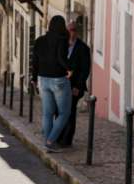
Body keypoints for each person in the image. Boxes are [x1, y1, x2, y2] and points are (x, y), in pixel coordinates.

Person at [31, 15, 72, 153]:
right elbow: (61, 58)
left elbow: (35, 61)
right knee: (64, 113)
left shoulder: (39, 41)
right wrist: (69, 69)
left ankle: (47, 143)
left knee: (47, 113)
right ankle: (50, 141)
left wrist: (34, 78)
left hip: (43, 79)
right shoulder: (62, 40)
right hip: (58, 79)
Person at [59, 17, 91, 147]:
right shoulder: (61, 45)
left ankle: (67, 140)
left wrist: (78, 86)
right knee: (59, 111)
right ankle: (59, 136)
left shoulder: (83, 48)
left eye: (74, 30)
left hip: (74, 87)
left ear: (77, 32)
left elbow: (85, 69)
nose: (72, 33)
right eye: (69, 30)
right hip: (60, 85)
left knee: (70, 111)